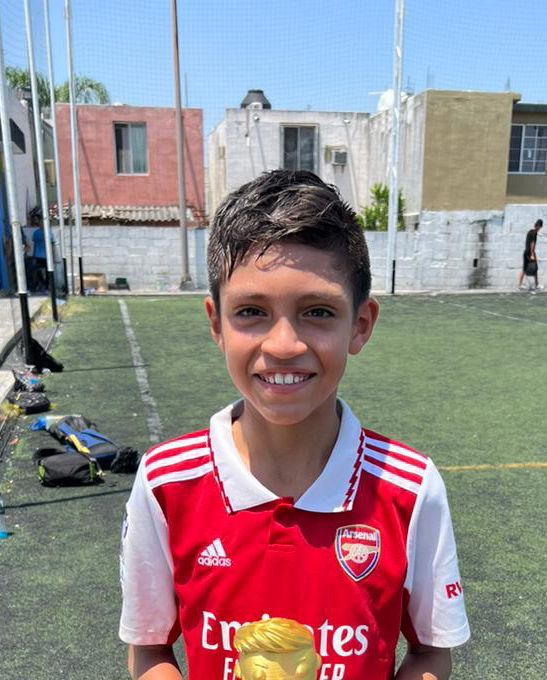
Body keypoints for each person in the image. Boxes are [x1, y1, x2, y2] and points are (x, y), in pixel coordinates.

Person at [119, 170, 470, 680]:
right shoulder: (166, 481)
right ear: (216, 323)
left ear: (360, 325)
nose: (284, 345)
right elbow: (149, 648)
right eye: (251, 311)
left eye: (318, 311)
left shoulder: (411, 489)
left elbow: (431, 652)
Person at [518, 218, 543, 291]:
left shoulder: (530, 231)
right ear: (538, 226)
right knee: (534, 268)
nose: (539, 228)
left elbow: (529, 242)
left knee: (525, 269)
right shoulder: (534, 233)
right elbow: (532, 244)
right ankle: (536, 285)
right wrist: (532, 254)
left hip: (526, 252)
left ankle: (520, 285)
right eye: (540, 227)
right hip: (529, 253)